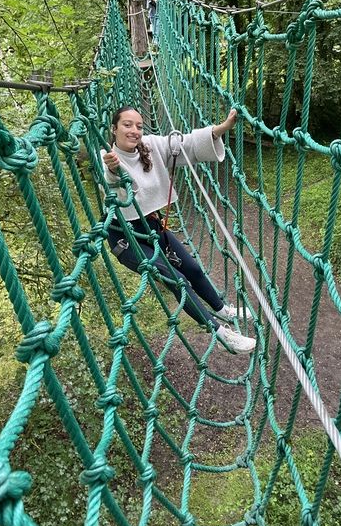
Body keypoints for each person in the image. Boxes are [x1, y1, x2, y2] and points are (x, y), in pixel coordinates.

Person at [102, 106, 256, 355]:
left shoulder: (150, 146)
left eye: (139, 126)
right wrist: (112, 168)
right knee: (178, 280)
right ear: (114, 128)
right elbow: (111, 179)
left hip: (152, 225)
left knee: (192, 268)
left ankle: (221, 309)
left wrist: (222, 129)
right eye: (127, 125)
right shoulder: (107, 157)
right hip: (125, 236)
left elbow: (186, 144)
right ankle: (222, 334)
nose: (134, 130)